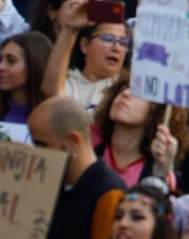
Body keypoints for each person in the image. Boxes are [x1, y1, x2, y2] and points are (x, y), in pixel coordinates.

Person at [29, 95, 126, 237]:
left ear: (72, 141)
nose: (36, 153)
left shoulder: (108, 193)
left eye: (42, 145)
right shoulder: (50, 185)